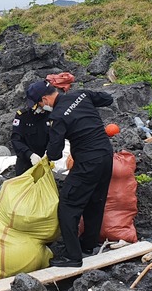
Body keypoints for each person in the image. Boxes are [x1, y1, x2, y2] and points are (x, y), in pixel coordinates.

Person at [28, 80, 114, 267]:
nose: (42, 108)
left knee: (67, 205)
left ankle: (73, 257)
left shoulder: (57, 117)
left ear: (45, 99)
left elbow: (56, 152)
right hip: (106, 154)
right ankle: (89, 245)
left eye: (40, 104)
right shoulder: (81, 94)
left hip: (87, 162)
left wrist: (46, 155)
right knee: (95, 201)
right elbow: (107, 99)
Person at [11, 90, 51, 175]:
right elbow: (16, 140)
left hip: (45, 160)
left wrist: (49, 152)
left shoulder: (51, 115)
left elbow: (55, 137)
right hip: (25, 161)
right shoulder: (23, 116)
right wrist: (30, 154)